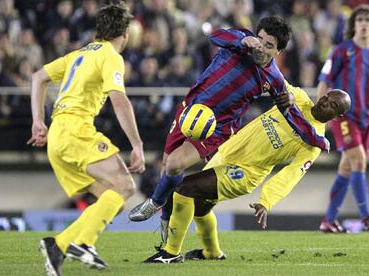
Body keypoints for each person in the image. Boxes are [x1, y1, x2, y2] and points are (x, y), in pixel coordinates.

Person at [129, 16, 329, 244]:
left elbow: (292, 115)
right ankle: (165, 216)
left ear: (278, 52)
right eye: (260, 39)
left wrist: (317, 139)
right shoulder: (240, 38)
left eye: (269, 45)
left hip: (215, 127)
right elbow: (215, 35)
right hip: (191, 111)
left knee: (175, 165)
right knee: (168, 166)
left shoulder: (274, 79)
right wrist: (244, 42)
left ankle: (154, 203)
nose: (261, 47)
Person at [142, 84, 351, 263]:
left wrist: (267, 200)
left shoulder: (313, 142)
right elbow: (283, 86)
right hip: (227, 153)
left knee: (185, 189)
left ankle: (171, 253)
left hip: (246, 172)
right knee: (199, 207)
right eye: (327, 97)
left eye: (333, 105)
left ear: (338, 116)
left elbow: (291, 175)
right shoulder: (301, 99)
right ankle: (212, 253)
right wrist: (285, 95)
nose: (325, 102)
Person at [27, 4, 145, 276]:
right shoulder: (111, 55)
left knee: (110, 198)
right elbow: (119, 100)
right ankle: (84, 243)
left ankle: (58, 245)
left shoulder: (79, 53)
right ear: (126, 33)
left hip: (58, 134)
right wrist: (136, 144)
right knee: (126, 186)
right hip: (76, 129)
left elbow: (38, 78)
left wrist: (38, 120)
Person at [317, 4, 369, 233]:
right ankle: (367, 217)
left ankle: (328, 220)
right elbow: (324, 82)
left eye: (368, 20)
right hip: (344, 117)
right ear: (353, 25)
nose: (364, 24)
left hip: (368, 118)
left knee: (347, 167)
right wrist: (321, 112)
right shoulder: (340, 51)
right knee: (359, 160)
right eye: (360, 20)